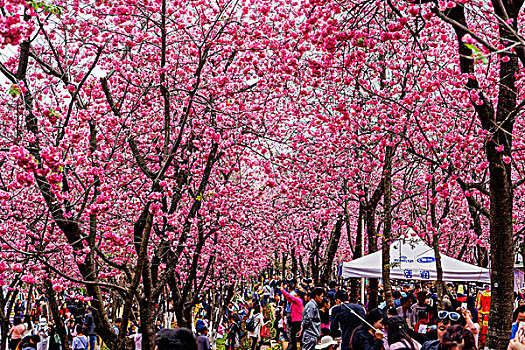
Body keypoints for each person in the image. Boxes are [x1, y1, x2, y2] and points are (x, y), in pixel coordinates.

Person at [280, 284, 304, 350]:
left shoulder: (298, 300)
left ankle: (294, 347)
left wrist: (282, 290)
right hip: (294, 320)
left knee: (294, 334)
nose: (294, 294)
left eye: (296, 293)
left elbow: (289, 296)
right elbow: (288, 298)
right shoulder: (294, 302)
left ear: (298, 295)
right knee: (293, 334)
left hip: (297, 320)